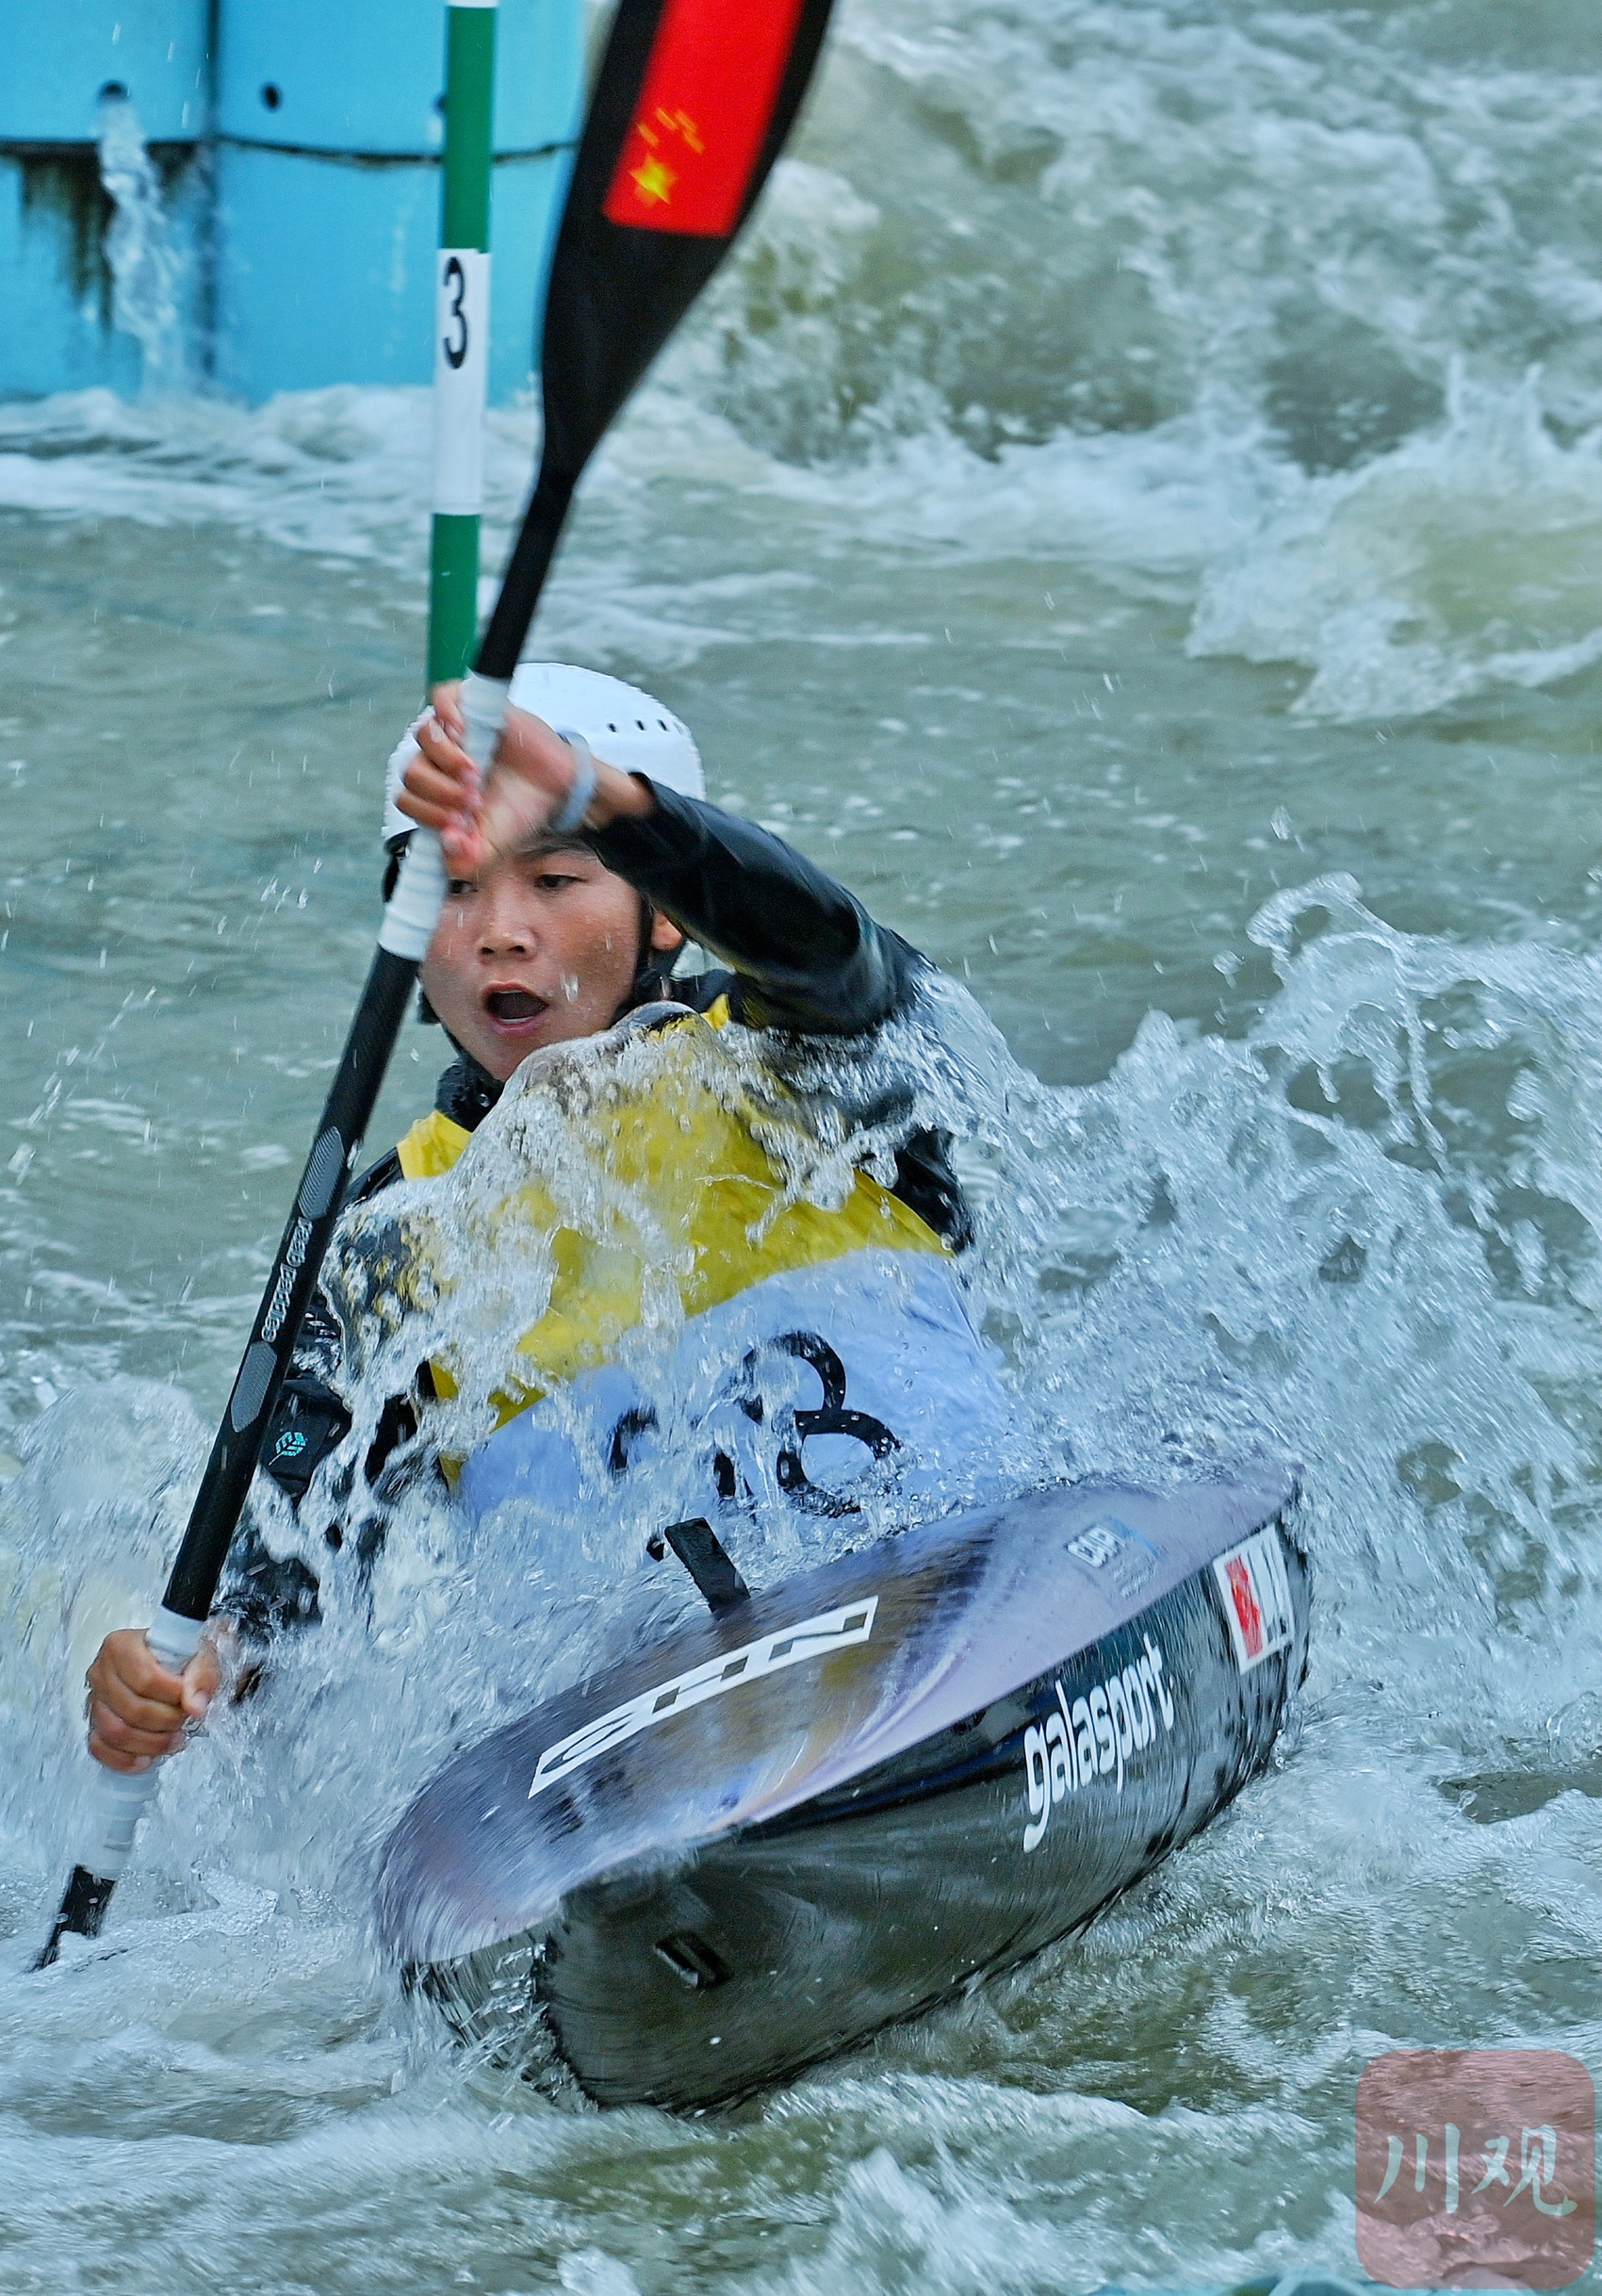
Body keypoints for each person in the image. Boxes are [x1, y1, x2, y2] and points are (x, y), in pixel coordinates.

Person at [83, 664, 1013, 1778]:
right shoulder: (392, 1234)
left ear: (664, 916)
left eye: (559, 877)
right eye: (456, 890)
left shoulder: (799, 1060)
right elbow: (293, 1562)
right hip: (650, 1745)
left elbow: (830, 951)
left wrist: (606, 800)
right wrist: (199, 1665)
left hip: (964, 1607)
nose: (499, 933)